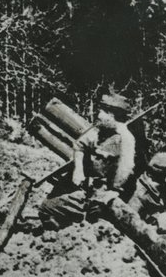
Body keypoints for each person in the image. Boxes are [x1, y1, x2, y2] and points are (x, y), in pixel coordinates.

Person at [38, 93, 137, 230]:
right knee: (46, 207)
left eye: (102, 112)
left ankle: (87, 224)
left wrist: (114, 191)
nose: (98, 115)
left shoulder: (125, 139)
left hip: (105, 196)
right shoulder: (99, 132)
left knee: (101, 216)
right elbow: (79, 146)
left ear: (112, 114)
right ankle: (73, 225)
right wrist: (78, 170)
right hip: (88, 191)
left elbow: (125, 170)